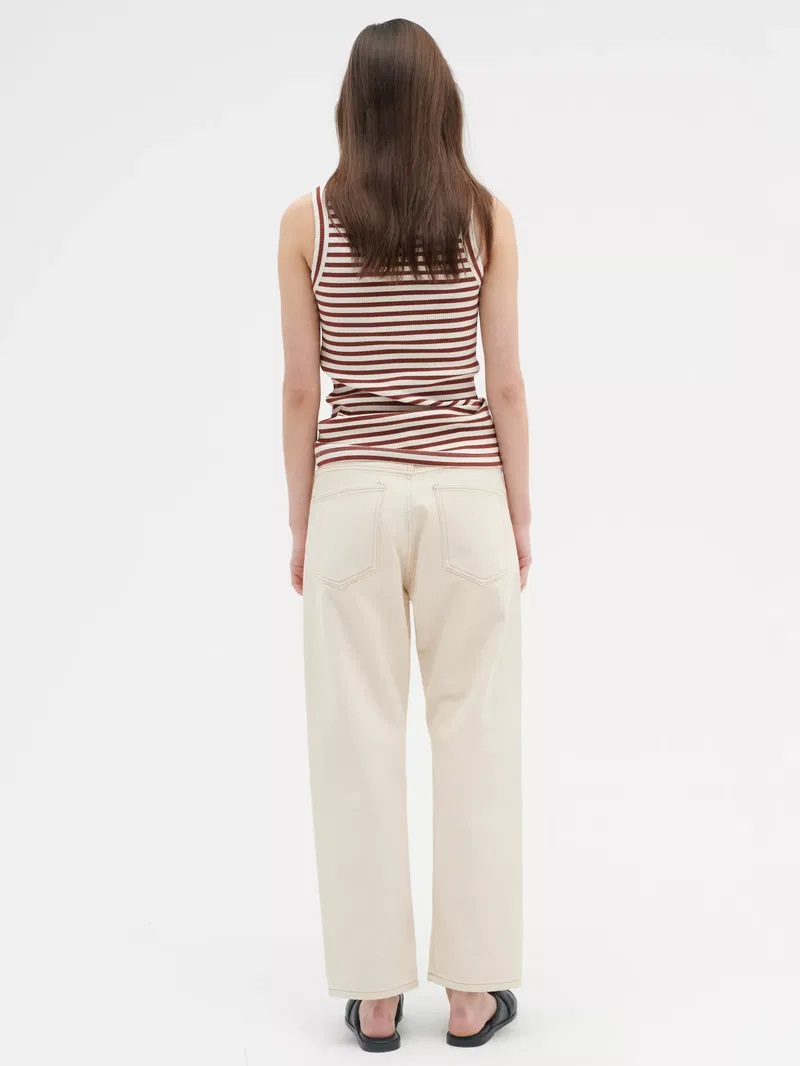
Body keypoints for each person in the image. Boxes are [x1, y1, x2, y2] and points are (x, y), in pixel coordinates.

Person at [278, 18, 530, 1052]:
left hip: (351, 500)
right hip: (468, 494)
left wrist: (302, 519)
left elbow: (302, 391)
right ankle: (471, 994)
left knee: (356, 738)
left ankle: (375, 996)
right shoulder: (484, 218)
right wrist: (520, 514)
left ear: (353, 105)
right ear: (440, 103)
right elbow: (504, 383)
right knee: (478, 735)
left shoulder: (305, 222)